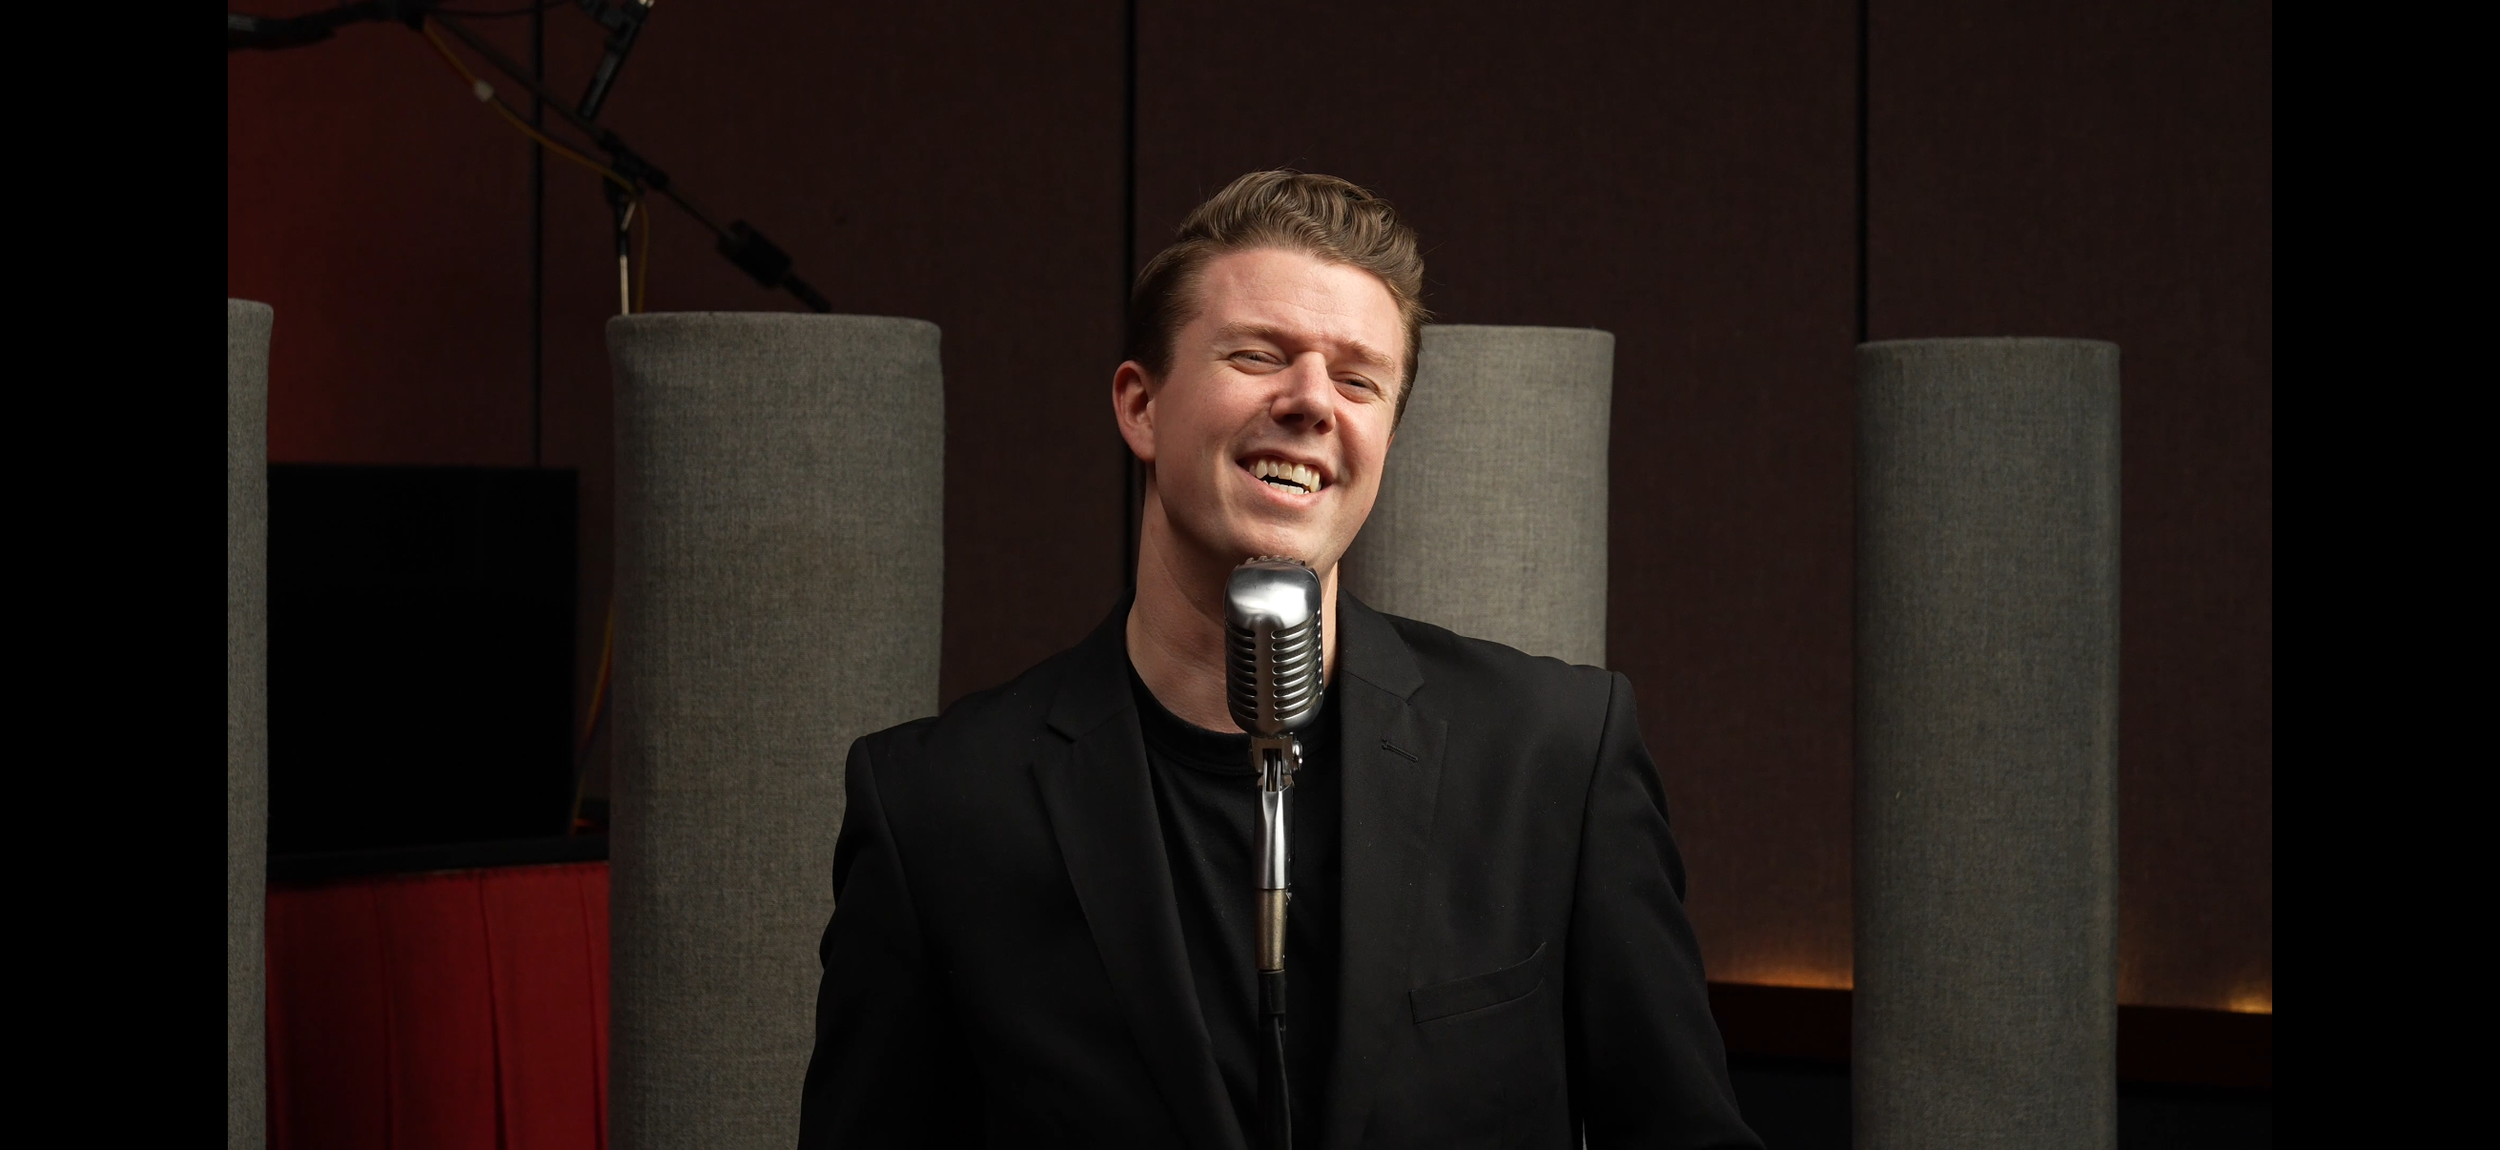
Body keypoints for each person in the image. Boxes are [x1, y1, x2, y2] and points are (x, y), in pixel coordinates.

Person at [798, 170, 1760, 1149]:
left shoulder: (1553, 754)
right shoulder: (938, 803)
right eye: (1258, 355)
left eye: (1357, 379)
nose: (1310, 402)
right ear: (1139, 406)